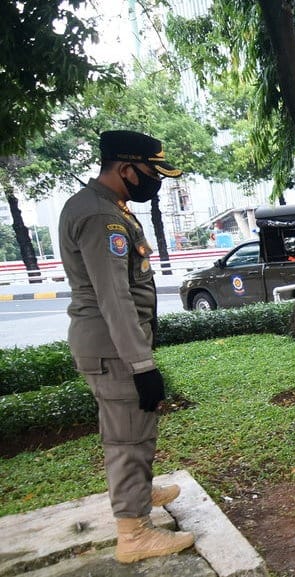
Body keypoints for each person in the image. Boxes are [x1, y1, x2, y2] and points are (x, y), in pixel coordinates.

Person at [58, 130, 195, 563]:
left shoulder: (104, 207)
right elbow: (114, 296)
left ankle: (139, 491)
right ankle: (134, 534)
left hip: (109, 344)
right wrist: (142, 364)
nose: (153, 182)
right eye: (149, 173)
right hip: (113, 348)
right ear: (125, 168)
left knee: (131, 430)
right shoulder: (102, 218)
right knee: (128, 439)